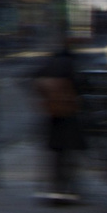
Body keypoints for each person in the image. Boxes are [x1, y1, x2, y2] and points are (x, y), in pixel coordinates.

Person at [33, 39, 86, 203]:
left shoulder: (48, 67)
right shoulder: (71, 66)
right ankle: (68, 189)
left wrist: (45, 98)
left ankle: (55, 188)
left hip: (53, 117)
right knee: (69, 156)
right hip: (70, 117)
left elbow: (31, 78)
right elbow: (81, 87)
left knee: (56, 156)